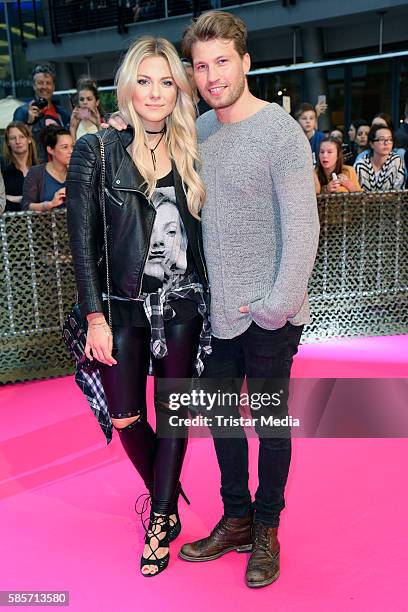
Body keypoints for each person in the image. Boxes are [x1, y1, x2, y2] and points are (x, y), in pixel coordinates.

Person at [110, 11, 319, 590]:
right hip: (213, 311)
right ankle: (236, 517)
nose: (211, 75)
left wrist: (276, 305)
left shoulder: (280, 131)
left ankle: (268, 526)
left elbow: (303, 230)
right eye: (200, 66)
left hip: (269, 310)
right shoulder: (197, 131)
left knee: (270, 426)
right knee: (224, 422)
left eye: (221, 61)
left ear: (246, 62)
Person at [66, 36, 210, 578]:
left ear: (178, 91)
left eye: (166, 82)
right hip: (121, 310)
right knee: (126, 415)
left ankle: (160, 518)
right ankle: (166, 497)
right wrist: (95, 317)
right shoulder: (97, 150)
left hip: (181, 305)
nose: (154, 92)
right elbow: (82, 243)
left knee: (173, 416)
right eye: (144, 80)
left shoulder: (192, 149)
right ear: (128, 86)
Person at [13, 64, 71, 162]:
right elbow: (16, 144)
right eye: (40, 83)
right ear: (34, 86)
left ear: (53, 87)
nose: (44, 87)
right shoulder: (22, 112)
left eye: (48, 83)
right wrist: (30, 123)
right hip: (36, 168)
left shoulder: (63, 114)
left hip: (60, 169)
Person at [21, 126, 73, 212]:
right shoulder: (36, 173)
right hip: (46, 224)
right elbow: (26, 206)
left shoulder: (77, 172)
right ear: (50, 150)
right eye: (65, 147)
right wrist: (50, 204)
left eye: (72, 146)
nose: (71, 151)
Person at [354, 124, 406, 191]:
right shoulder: (360, 165)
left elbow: (399, 193)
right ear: (371, 144)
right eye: (381, 139)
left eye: (390, 139)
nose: (386, 143)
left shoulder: (397, 161)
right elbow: (355, 195)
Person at [1, 121, 38, 212]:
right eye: (13, 138)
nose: (18, 141)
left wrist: (14, 198)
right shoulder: (2, 166)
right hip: (9, 221)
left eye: (22, 137)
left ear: (29, 139)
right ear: (8, 142)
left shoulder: (39, 167)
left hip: (37, 221)